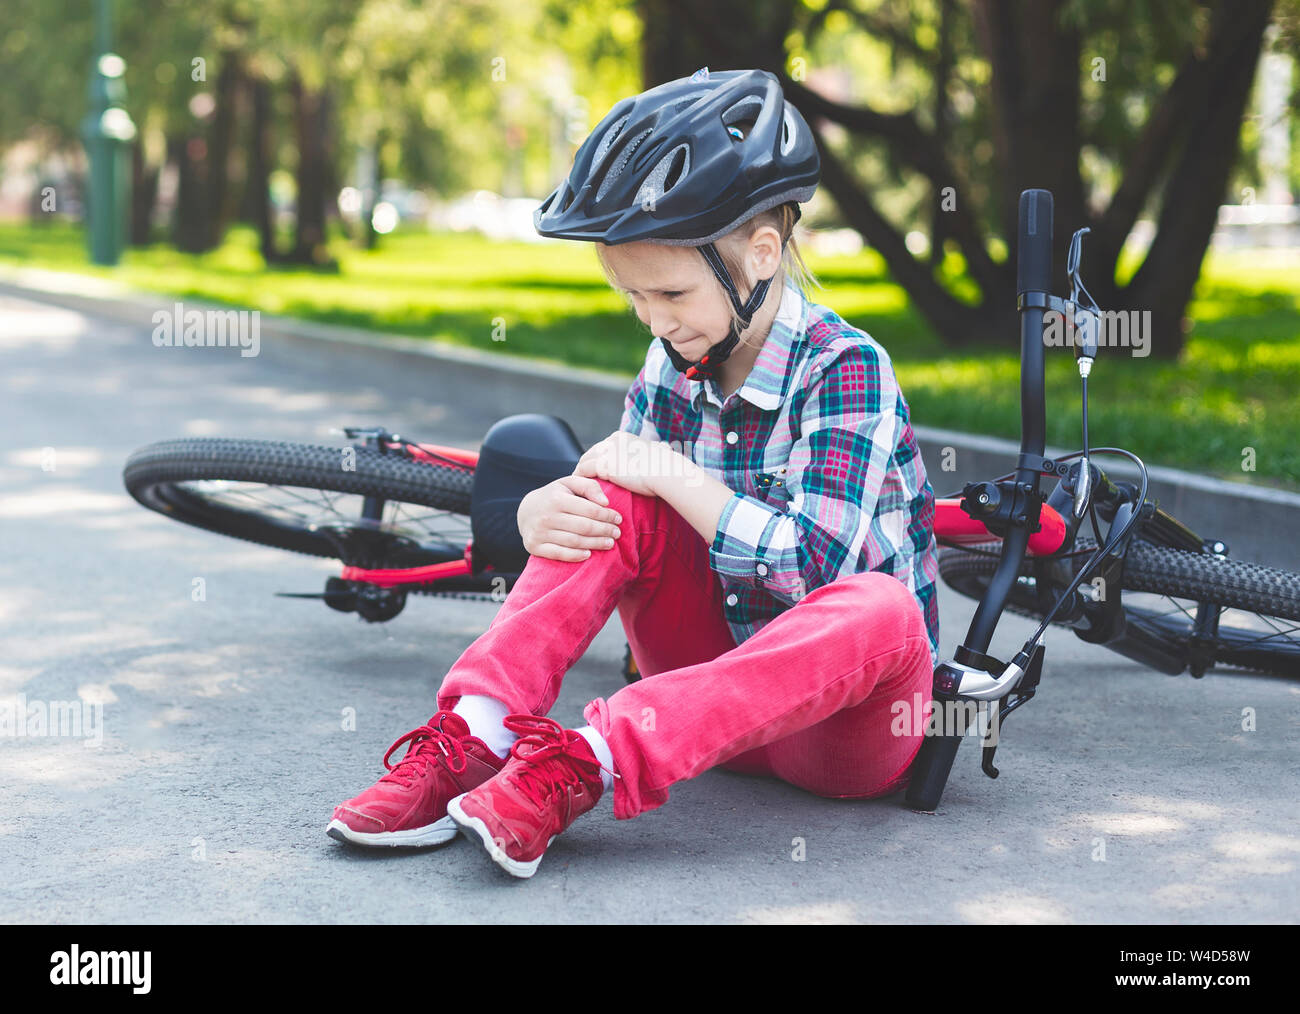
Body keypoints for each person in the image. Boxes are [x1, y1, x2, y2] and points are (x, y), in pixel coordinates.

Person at [327, 67, 940, 879]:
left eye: (671, 292)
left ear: (760, 255)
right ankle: (477, 734)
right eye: (633, 299)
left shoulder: (846, 367)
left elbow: (812, 566)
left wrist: (668, 473)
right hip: (706, 697)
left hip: (833, 734)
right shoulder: (670, 363)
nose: (654, 321)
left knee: (882, 608)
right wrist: (545, 514)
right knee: (614, 490)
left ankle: (586, 763)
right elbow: (624, 513)